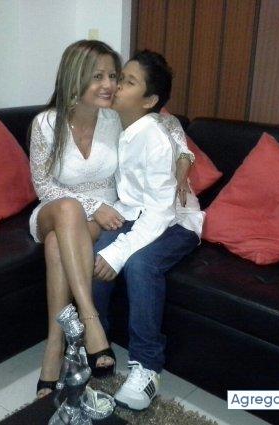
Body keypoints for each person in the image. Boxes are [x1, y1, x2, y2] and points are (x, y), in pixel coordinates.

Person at [29, 40, 195, 398]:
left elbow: (167, 124)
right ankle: (90, 321)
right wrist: (91, 206)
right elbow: (43, 185)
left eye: (114, 77)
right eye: (98, 77)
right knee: (68, 211)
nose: (110, 85)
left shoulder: (114, 117)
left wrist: (184, 157)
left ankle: (56, 346)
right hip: (55, 208)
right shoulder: (46, 123)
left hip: (106, 213)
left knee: (59, 244)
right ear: (75, 78)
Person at [92, 50, 204, 411]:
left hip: (175, 220)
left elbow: (159, 212)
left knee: (140, 264)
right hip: (134, 212)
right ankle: (96, 341)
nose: (115, 86)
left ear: (150, 100)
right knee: (94, 250)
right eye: (119, 77)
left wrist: (121, 250)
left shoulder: (154, 136)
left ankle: (148, 366)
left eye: (128, 82)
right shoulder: (116, 121)